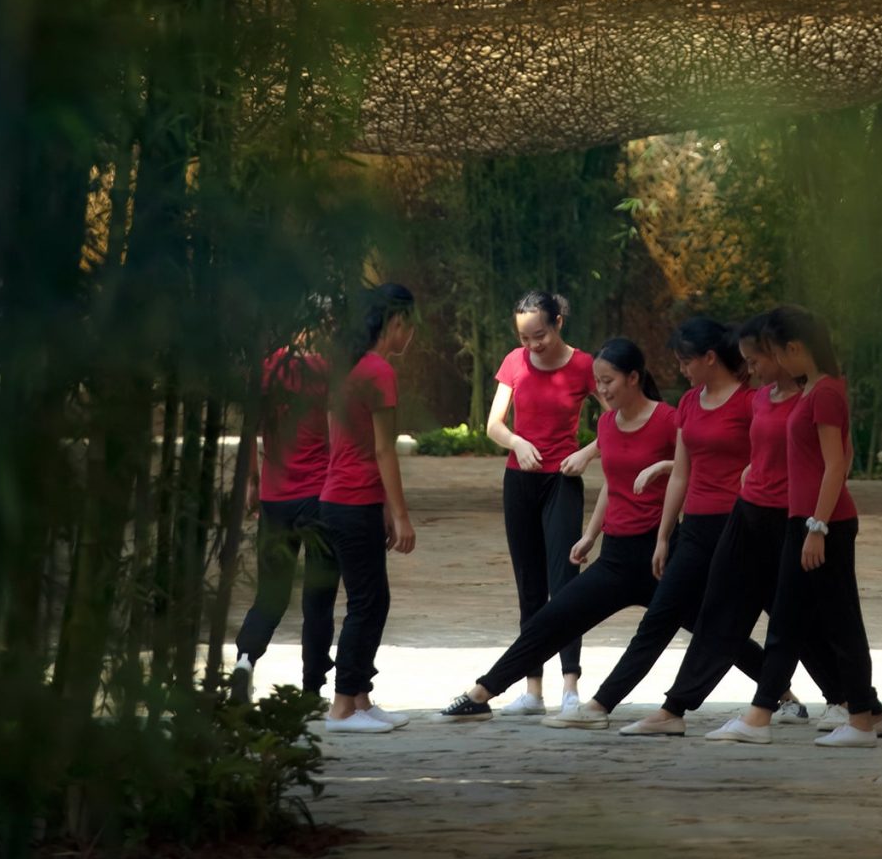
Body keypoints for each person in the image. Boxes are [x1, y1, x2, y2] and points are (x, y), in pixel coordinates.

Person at [616, 313, 860, 739]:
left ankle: (845, 701)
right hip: (747, 512)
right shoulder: (763, 398)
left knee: (802, 616)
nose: (750, 368)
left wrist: (817, 524)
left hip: (792, 518)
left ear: (786, 353)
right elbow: (743, 450)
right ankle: (676, 707)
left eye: (757, 358)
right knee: (720, 609)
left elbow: (839, 458)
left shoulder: (813, 397)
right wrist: (751, 471)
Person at [547, 315, 782, 729]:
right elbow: (682, 474)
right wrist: (663, 536)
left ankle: (846, 698)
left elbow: (770, 453)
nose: (680, 369)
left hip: (744, 526)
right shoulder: (690, 404)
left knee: (781, 614)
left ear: (709, 357)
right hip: (695, 529)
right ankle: (617, 706)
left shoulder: (750, 401)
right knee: (663, 614)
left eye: (685, 361)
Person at [439, 338, 675, 719]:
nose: (601, 389)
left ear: (634, 378)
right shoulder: (607, 424)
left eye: (608, 380)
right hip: (615, 558)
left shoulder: (667, 419)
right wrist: (589, 536)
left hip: (660, 557)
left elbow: (690, 470)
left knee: (713, 627)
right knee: (553, 618)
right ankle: (482, 692)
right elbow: (613, 486)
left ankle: (777, 695)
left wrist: (664, 531)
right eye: (597, 381)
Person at [706, 304, 882, 748]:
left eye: (775, 354)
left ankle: (859, 720)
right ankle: (767, 715)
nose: (775, 365)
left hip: (824, 526)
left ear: (796, 348)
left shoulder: (825, 393)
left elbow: (836, 464)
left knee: (839, 624)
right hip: (803, 522)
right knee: (790, 620)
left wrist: (818, 527)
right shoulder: (816, 390)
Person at [485, 289, 596, 717]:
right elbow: (494, 425)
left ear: (558, 324)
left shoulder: (585, 366)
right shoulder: (514, 362)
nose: (532, 346)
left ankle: (571, 686)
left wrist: (586, 452)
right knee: (529, 586)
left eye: (540, 336)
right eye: (525, 337)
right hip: (519, 481)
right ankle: (533, 689)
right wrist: (517, 442)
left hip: (562, 483)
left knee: (564, 583)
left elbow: (621, 419)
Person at [317, 282, 418, 733]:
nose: (410, 335)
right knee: (367, 603)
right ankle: (342, 707)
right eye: (409, 325)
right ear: (396, 323)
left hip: (342, 499)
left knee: (371, 600)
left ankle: (360, 699)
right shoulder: (378, 370)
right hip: (351, 500)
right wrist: (400, 514)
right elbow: (383, 450)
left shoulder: (348, 367)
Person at [230, 314, 338, 704]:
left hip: (275, 498)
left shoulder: (267, 367)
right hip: (320, 497)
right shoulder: (329, 369)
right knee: (318, 598)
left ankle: (244, 661)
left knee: (270, 593)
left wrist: (251, 480)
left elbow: (250, 430)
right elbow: (336, 431)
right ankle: (312, 688)